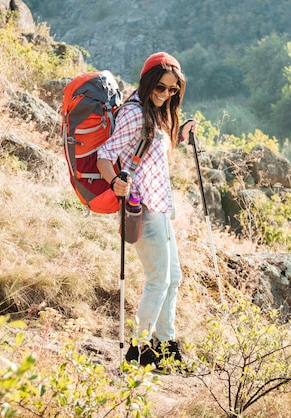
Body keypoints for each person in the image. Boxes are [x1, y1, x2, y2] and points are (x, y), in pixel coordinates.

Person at [97, 52, 197, 367]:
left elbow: (152, 149)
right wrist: (115, 181)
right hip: (141, 207)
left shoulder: (155, 112)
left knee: (174, 277)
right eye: (161, 88)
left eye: (172, 90)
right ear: (149, 82)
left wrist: (182, 131)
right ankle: (139, 350)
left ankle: (166, 345)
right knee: (159, 279)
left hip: (160, 205)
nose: (165, 94)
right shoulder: (134, 114)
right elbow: (104, 154)